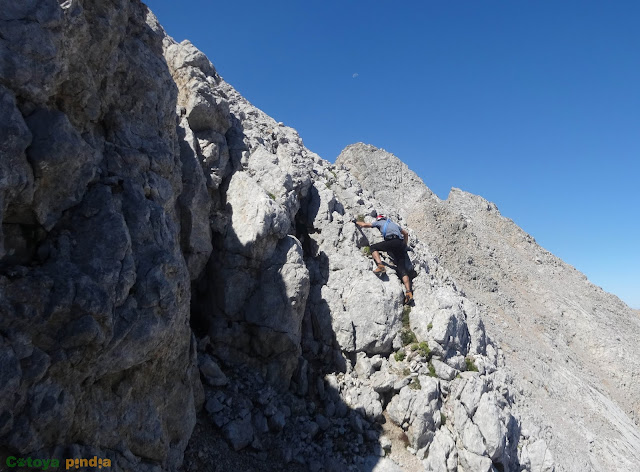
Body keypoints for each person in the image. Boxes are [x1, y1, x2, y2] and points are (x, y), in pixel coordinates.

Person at [356, 214, 413, 305]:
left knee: (373, 248)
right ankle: (409, 292)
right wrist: (404, 245)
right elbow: (405, 233)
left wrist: (355, 222)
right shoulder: (394, 224)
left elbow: (365, 225)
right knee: (402, 270)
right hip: (400, 244)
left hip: (391, 242)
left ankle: (380, 266)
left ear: (379, 219)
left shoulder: (379, 222)